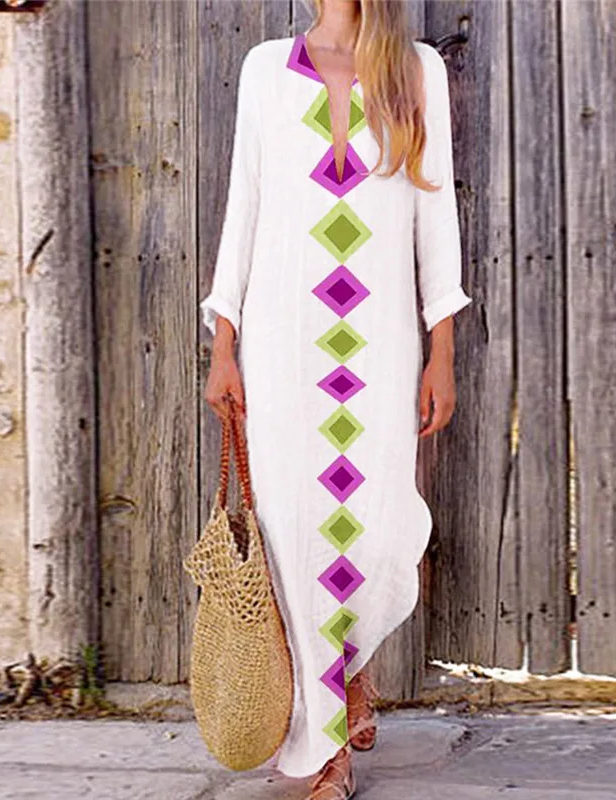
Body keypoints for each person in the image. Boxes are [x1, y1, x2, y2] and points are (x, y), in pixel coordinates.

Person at [200, 1, 472, 797]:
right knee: (294, 534)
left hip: (378, 344)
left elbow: (434, 213)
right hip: (282, 342)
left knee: (377, 530)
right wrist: (223, 342)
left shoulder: (414, 69)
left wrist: (442, 351)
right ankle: (325, 749)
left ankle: (349, 670)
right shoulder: (265, 70)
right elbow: (244, 206)